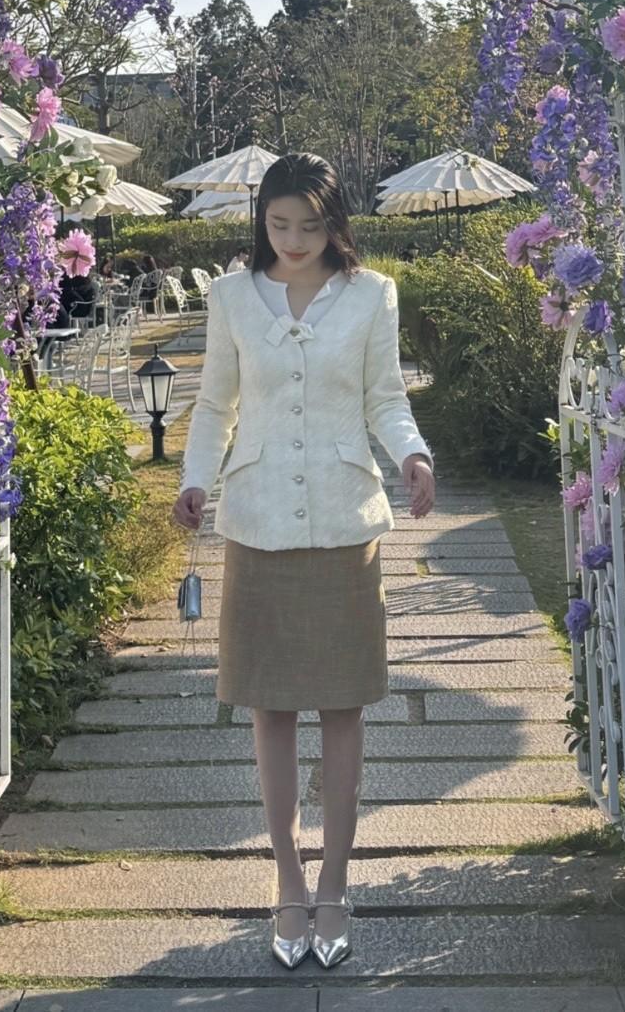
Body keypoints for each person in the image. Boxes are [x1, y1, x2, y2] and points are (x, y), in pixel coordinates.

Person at [172, 153, 435, 971]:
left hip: (344, 521)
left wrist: (413, 455)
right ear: (262, 221)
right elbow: (215, 404)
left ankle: (336, 881)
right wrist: (194, 478)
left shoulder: (371, 294)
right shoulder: (230, 296)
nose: (292, 240)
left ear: (335, 224)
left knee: (344, 706)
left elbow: (384, 396)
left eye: (309, 226)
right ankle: (288, 881)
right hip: (257, 524)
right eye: (279, 224)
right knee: (270, 708)